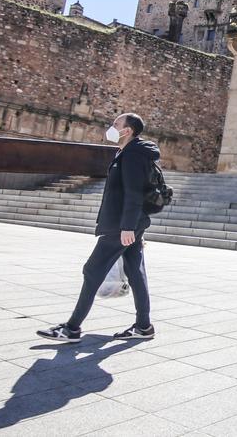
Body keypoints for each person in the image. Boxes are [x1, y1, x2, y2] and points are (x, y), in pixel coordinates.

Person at [37, 113, 159, 342]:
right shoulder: (127, 153)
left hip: (119, 225)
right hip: (127, 224)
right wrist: (134, 228)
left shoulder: (132, 155)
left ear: (128, 130)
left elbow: (134, 194)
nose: (111, 128)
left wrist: (128, 228)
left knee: (92, 271)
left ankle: (72, 328)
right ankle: (144, 326)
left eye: (116, 124)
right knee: (135, 273)